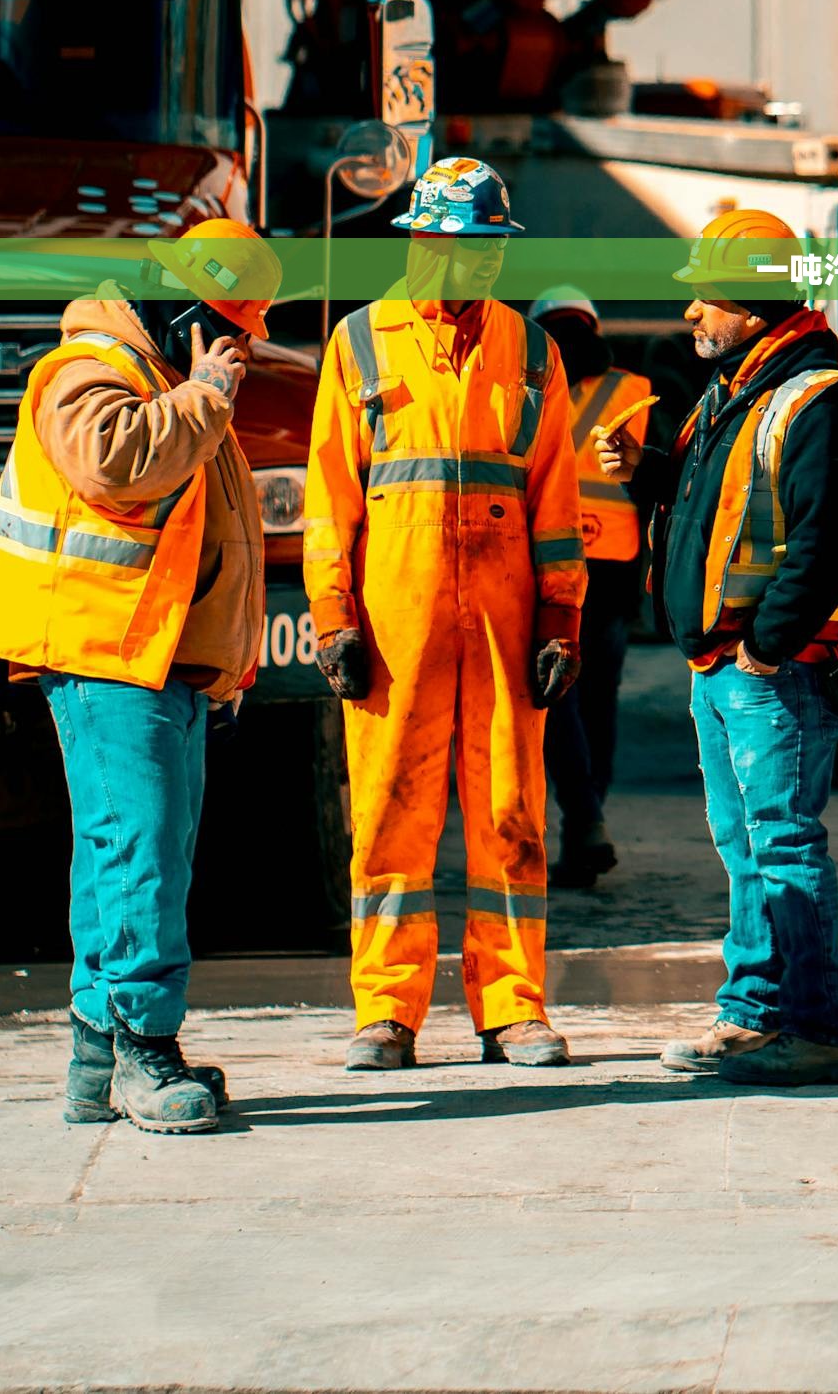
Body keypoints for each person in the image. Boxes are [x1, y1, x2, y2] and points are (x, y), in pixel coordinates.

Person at [0, 219, 282, 1136]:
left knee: (134, 856)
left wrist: (226, 660)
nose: (238, 348)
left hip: (163, 662)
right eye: (228, 328)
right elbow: (116, 463)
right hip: (107, 658)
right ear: (183, 309)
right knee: (136, 854)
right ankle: (144, 1049)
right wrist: (208, 392)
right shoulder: (89, 368)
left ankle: (97, 1062)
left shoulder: (174, 385)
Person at [304, 157, 586, 1072]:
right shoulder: (360, 345)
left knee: (511, 817)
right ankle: (386, 1013)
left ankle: (513, 1009)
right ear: (422, 242)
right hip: (396, 632)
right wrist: (331, 619)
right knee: (389, 819)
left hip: (504, 633)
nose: (478, 267)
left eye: (491, 250)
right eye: (463, 247)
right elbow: (328, 502)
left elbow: (555, 504)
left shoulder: (534, 353)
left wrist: (561, 623)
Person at [593, 209, 838, 1088]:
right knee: (747, 846)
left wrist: (766, 646)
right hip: (724, 666)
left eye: (707, 300)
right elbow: (725, 498)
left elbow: (825, 543)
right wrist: (647, 473)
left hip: (769, 673)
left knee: (783, 846)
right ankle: (754, 1013)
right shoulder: (740, 390)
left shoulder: (821, 396)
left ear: (752, 307)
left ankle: (819, 1029)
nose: (693, 317)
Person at [528, 284, 650, 888]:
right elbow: (660, 479)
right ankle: (589, 821)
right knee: (600, 697)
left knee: (559, 699)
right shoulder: (635, 389)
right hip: (616, 566)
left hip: (548, 564)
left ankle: (584, 817)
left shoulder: (525, 382)